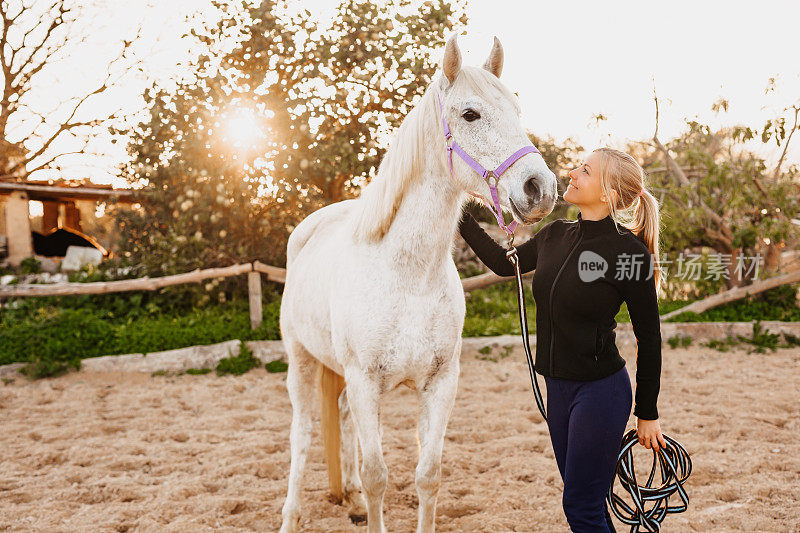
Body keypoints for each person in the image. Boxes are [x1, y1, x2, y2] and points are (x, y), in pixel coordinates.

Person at [458, 148, 667, 532]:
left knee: (580, 507)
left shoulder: (630, 254)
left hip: (601, 393)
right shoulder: (556, 233)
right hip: (558, 389)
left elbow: (649, 337)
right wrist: (460, 214)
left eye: (584, 171)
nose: (571, 173)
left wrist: (647, 412)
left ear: (605, 192)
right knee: (588, 501)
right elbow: (506, 264)